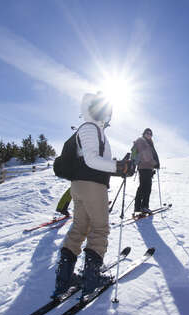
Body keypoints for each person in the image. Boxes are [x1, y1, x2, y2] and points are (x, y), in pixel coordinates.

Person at [52, 92, 133, 299]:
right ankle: (91, 279)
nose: (109, 116)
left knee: (79, 228)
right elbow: (92, 160)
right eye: (107, 111)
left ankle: (64, 280)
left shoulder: (93, 129)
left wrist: (119, 167)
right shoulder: (90, 128)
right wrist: (118, 166)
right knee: (99, 229)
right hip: (91, 187)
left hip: (80, 186)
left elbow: (95, 161)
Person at [131, 128, 160, 214]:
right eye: (147, 133)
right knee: (145, 187)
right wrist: (155, 163)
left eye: (150, 134)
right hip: (144, 167)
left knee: (144, 187)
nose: (149, 135)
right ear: (144, 133)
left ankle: (139, 207)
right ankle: (143, 206)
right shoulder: (141, 141)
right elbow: (146, 156)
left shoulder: (149, 143)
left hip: (147, 168)